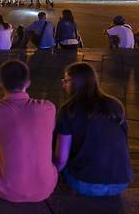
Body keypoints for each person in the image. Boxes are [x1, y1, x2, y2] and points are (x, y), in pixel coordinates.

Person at [0, 60, 57, 202]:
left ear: (0, 83)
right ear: (28, 83)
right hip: (46, 188)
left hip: (8, 190)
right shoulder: (48, 108)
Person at [54, 62, 133, 196]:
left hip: (86, 183)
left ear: (75, 83)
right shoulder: (115, 105)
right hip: (121, 181)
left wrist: (51, 174)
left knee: (55, 139)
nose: (63, 85)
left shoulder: (69, 110)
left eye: (66, 81)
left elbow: (61, 159)